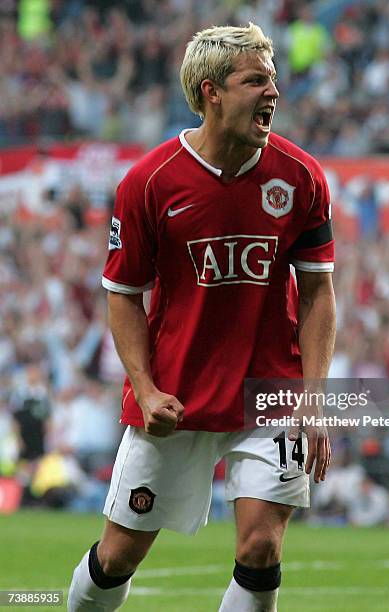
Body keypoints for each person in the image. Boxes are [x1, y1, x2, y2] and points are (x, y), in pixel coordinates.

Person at [68, 22, 336, 611]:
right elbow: (123, 293)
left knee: (262, 546)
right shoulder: (149, 182)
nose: (273, 93)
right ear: (211, 91)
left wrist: (315, 397)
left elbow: (318, 292)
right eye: (255, 81)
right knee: (117, 558)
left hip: (272, 393)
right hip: (176, 396)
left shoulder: (302, 177)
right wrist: (144, 386)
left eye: (274, 80)